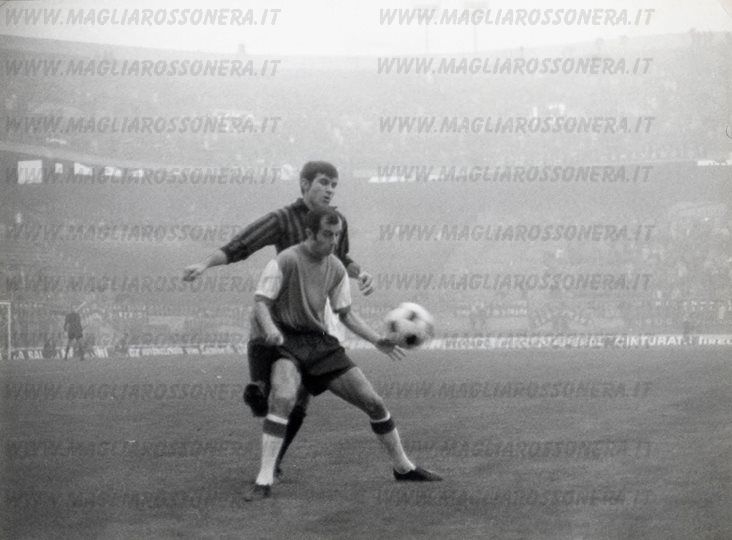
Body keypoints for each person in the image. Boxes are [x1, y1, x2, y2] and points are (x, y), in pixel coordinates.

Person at [182, 161, 374, 476]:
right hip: (279, 309)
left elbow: (341, 259)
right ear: (304, 184)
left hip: (311, 317)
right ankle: (260, 386)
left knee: (302, 397)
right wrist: (205, 264)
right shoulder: (282, 219)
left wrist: (360, 273)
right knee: (280, 372)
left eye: (334, 184)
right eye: (323, 182)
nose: (329, 189)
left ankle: (274, 457)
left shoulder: (336, 222)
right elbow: (241, 245)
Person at [245, 208, 441, 501]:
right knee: (283, 398)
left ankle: (403, 468)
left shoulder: (336, 267)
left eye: (337, 235)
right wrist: (271, 329)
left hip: (319, 342)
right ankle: (264, 479)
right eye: (327, 234)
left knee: (374, 402)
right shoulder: (285, 260)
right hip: (286, 340)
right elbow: (261, 302)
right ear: (310, 233)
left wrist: (377, 340)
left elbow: (345, 314)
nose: (334, 241)